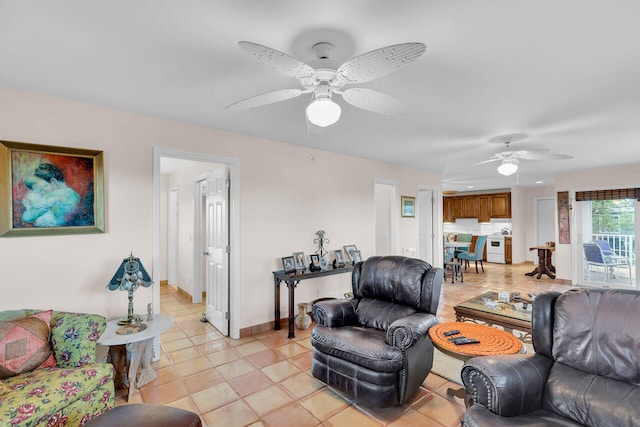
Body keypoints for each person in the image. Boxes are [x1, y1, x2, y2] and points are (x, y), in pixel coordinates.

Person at [22, 163, 80, 227]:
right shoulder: (72, 194)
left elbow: (27, 218)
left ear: (53, 182)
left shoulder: (60, 194)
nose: (41, 193)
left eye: (42, 189)